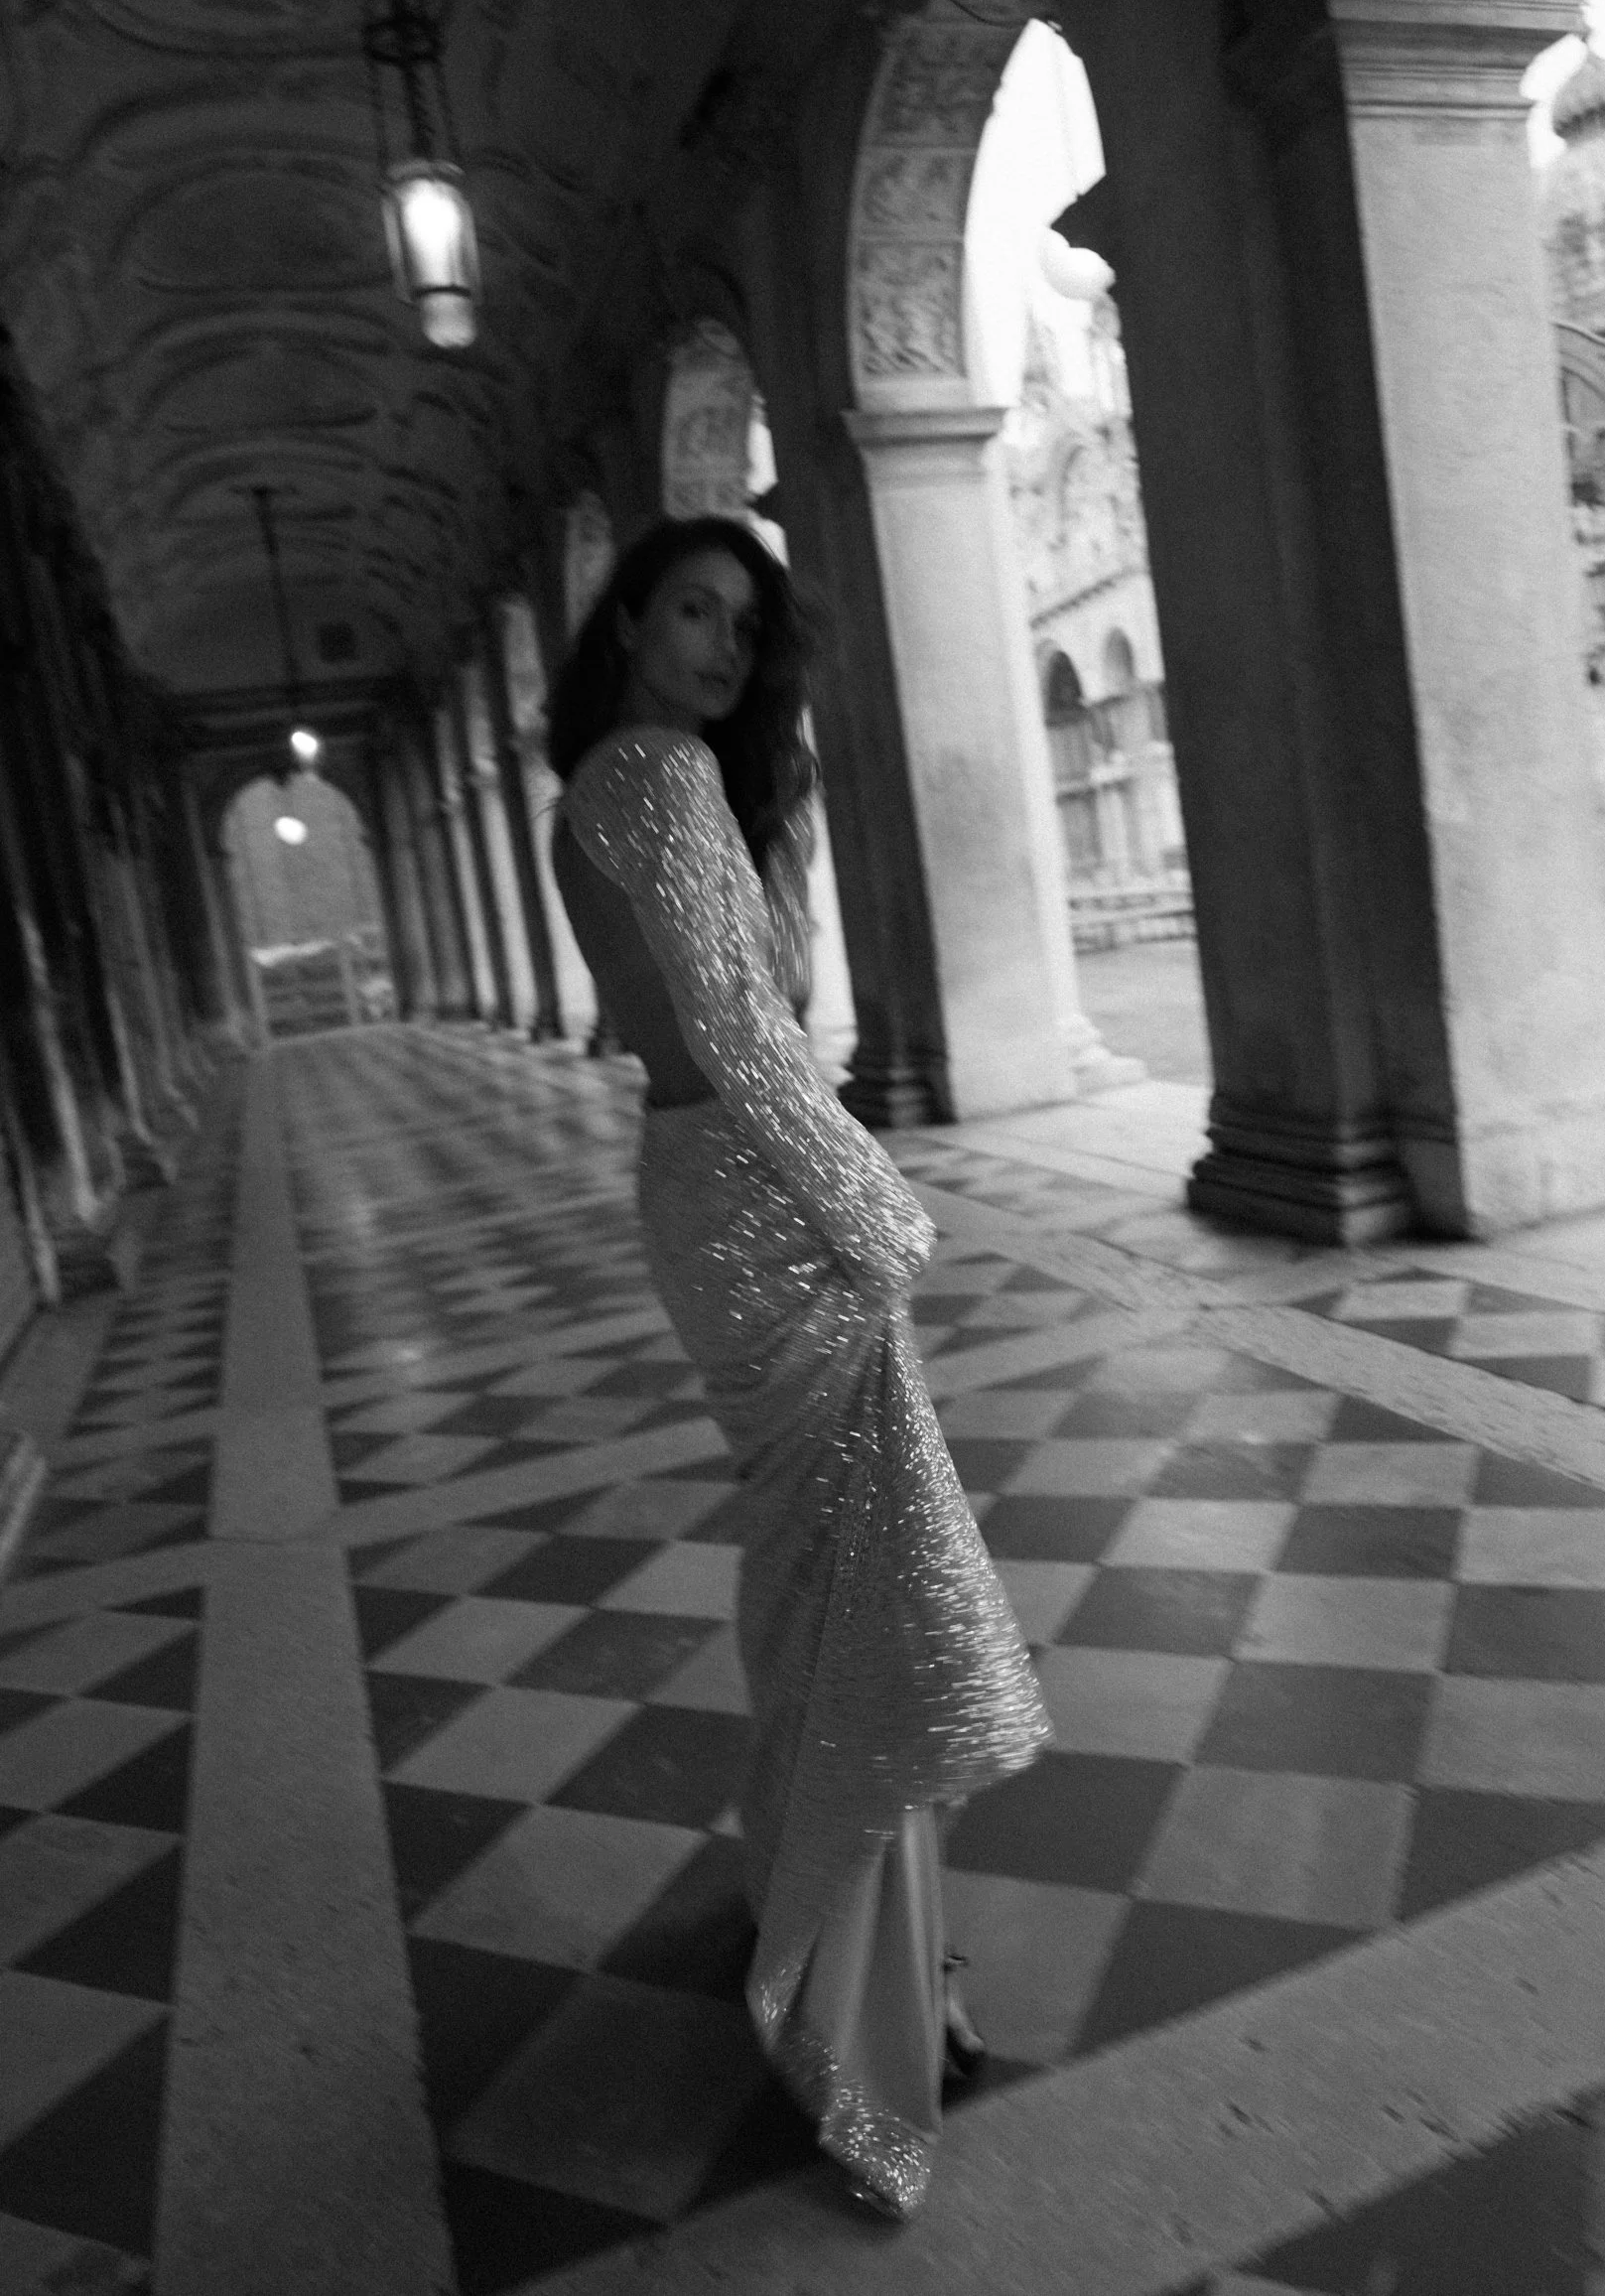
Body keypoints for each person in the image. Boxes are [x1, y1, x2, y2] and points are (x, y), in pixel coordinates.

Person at [549, 514, 1049, 2222]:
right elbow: (746, 1031)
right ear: (625, 619)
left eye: (741, 629)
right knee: (861, 1598)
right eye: (689, 610)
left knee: (823, 1587)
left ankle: (827, 1917)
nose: (715, 647)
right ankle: (861, 2010)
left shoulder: (602, 793)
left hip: (701, 1196)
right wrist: (881, 1210)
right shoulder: (657, 776)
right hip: (769, 1205)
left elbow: (710, 1016)